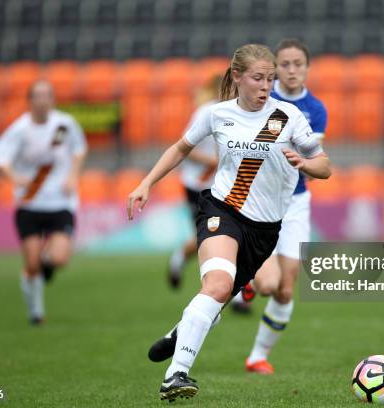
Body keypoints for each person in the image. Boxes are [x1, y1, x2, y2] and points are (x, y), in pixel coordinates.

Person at [126, 44, 331, 401]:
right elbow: (180, 149)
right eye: (258, 78)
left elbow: (325, 166)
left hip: (265, 230)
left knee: (222, 298)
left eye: (270, 78)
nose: (266, 85)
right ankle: (176, 374)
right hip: (222, 210)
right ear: (237, 77)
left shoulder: (288, 117)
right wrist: (146, 183)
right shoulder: (215, 113)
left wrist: (304, 162)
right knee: (219, 286)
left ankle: (181, 332)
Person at [231, 39, 327, 375]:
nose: (290, 70)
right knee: (269, 284)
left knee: (286, 290)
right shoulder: (263, 100)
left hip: (297, 202)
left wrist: (304, 163)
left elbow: (315, 161)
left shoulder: (316, 109)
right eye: (284, 64)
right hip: (262, 201)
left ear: (306, 67)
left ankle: (257, 356)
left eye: (297, 63)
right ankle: (246, 278)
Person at [0, 80, 87, 325]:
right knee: (31, 266)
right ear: (29, 101)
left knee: (60, 258)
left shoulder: (64, 124)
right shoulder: (20, 129)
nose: (42, 101)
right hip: (29, 204)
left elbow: (79, 149)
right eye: (38, 96)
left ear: (52, 100)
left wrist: (73, 176)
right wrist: (14, 178)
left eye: (47, 96)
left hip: (60, 202)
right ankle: (36, 312)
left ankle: (45, 263)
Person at [168, 75, 221, 288]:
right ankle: (180, 257)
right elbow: (185, 149)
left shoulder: (240, 115)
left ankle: (235, 295)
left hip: (222, 187)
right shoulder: (205, 112)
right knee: (208, 235)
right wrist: (213, 161)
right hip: (198, 185)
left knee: (225, 234)